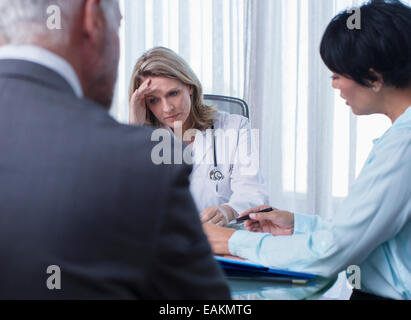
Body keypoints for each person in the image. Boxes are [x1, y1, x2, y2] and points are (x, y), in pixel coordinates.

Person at [0, 0, 230, 299]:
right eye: (118, 25)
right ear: (92, 18)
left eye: (173, 93)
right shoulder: (136, 163)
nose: (167, 106)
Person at [204, 0, 411, 300]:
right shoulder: (400, 138)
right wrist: (299, 225)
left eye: (337, 75)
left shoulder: (403, 146)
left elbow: (333, 251)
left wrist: (231, 241)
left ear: (374, 78)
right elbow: (367, 232)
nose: (335, 86)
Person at [129, 47, 269, 226]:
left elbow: (253, 191)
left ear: (189, 87)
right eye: (154, 100)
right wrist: (134, 129)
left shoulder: (234, 127)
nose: (167, 108)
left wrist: (228, 211)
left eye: (173, 93)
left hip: (222, 239)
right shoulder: (144, 138)